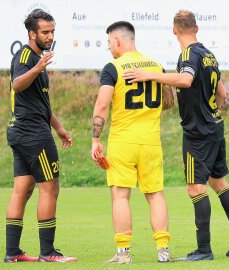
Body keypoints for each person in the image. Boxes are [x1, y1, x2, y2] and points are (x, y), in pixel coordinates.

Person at [123, 10, 229, 261]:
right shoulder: (208, 55)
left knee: (195, 188)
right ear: (197, 28)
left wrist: (150, 75)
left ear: (174, 30)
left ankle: (204, 250)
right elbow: (222, 95)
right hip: (214, 126)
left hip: (197, 133)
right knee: (219, 182)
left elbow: (185, 79)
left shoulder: (188, 55)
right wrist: (209, 112)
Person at [91, 21, 174, 264]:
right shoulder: (155, 65)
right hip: (151, 142)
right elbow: (168, 102)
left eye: (109, 43)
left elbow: (102, 104)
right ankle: (163, 250)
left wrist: (96, 138)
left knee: (120, 197)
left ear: (117, 41)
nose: (109, 48)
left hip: (123, 142)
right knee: (156, 195)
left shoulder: (113, 67)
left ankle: (123, 253)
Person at [5, 9, 77, 263]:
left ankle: (12, 252)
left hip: (21, 131)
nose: (50, 36)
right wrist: (36, 68)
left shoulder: (37, 58)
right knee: (50, 188)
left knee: (22, 190)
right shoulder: (27, 57)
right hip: (33, 134)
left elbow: (40, 103)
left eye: (52, 31)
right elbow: (17, 84)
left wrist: (58, 128)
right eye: (45, 32)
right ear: (32, 33)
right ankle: (48, 253)